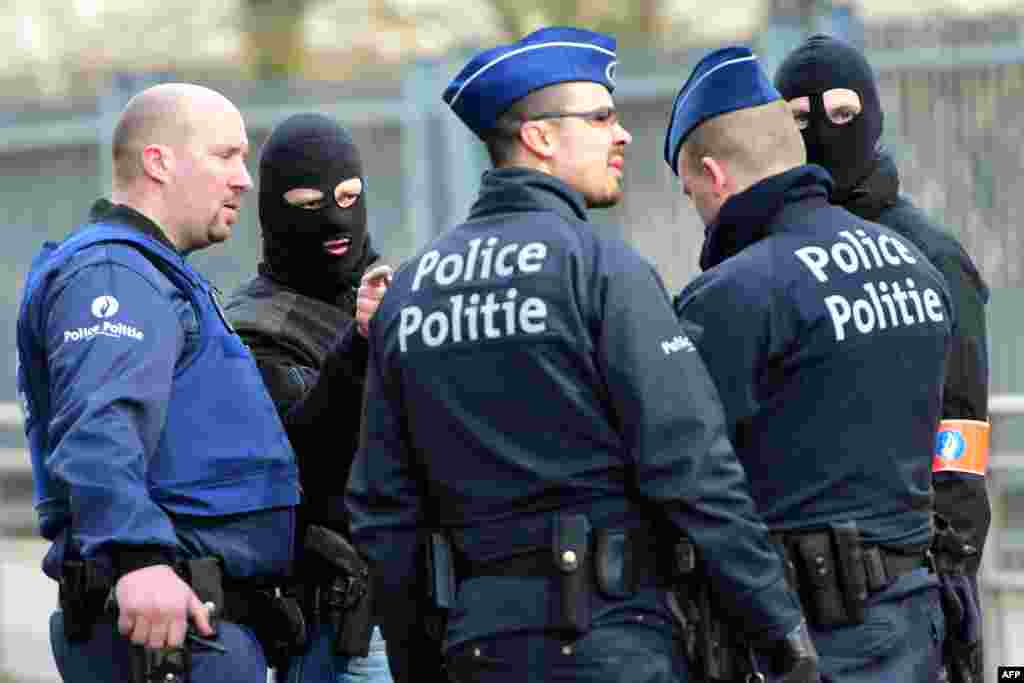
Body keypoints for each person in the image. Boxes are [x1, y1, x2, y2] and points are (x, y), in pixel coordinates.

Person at [345, 27, 818, 683]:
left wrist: (420, 661)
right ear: (540, 137)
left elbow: (382, 510)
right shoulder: (602, 269)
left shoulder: (413, 290)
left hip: (478, 646)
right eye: (599, 118)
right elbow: (691, 464)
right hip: (613, 637)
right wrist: (780, 629)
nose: (621, 135)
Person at [664, 46, 953, 682]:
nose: (699, 211)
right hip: (916, 620)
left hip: (812, 639)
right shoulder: (917, 266)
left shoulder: (733, 295)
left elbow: (687, 473)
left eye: (690, 193)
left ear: (714, 175)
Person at [15, 83, 303, 682]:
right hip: (164, 630)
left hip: (196, 626)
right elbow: (99, 426)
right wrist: (137, 558)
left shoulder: (154, 274)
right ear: (159, 162)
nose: (244, 179)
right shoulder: (114, 274)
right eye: (226, 156)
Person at [773, 35, 990, 682]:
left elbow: (961, 431)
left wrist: (951, 565)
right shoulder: (766, 255)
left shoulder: (932, 255)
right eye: (799, 120)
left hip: (911, 585)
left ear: (871, 115)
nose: (821, 134)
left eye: (841, 114)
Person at [223, 112, 393, 683]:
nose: (336, 219)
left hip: (433, 613)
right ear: (276, 212)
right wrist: (360, 348)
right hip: (345, 629)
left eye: (349, 198)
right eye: (309, 204)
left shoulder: (401, 295)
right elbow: (302, 465)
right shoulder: (254, 329)